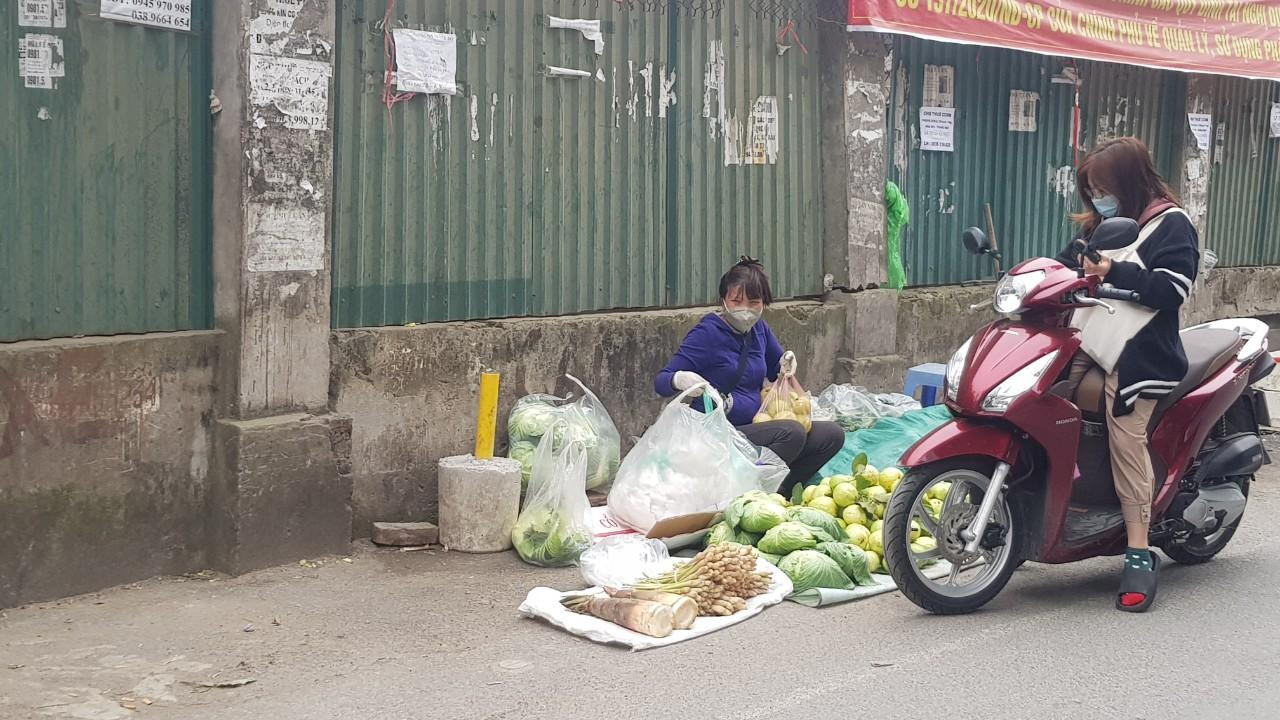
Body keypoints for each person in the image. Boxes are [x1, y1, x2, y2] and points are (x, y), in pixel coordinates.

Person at [1057, 137, 1199, 613]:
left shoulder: (1172, 225)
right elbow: (1060, 266)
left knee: (1125, 434)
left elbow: (1170, 290)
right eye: (1092, 189)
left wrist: (1114, 270)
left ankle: (1138, 548)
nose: (1098, 198)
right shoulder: (1101, 226)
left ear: (1128, 183)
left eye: (1104, 187)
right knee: (1043, 398)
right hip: (1089, 339)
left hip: (1142, 354)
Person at [654, 257, 845, 496]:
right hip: (719, 433)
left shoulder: (759, 330)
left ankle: (781, 490)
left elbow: (777, 366)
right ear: (724, 301)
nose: (745, 309)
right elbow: (661, 381)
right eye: (736, 301)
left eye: (753, 302)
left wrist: (786, 362)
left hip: (756, 426)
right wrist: (680, 379)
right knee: (792, 433)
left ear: (763, 303)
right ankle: (748, 493)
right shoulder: (707, 334)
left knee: (831, 435)